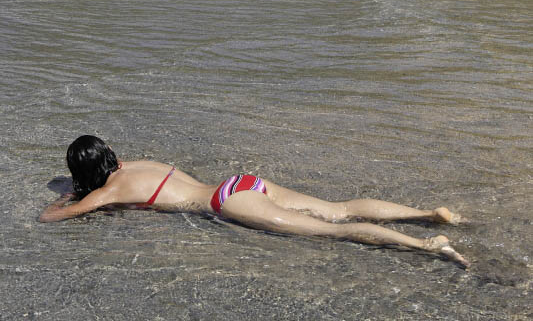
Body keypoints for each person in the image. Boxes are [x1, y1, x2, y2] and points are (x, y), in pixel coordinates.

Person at [39, 135, 468, 267]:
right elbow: (117, 170)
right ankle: (428, 215)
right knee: (337, 208)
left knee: (333, 232)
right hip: (238, 182)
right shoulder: (137, 165)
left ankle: (427, 246)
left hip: (227, 205)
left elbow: (51, 218)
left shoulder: (107, 191)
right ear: (111, 155)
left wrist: (73, 194)